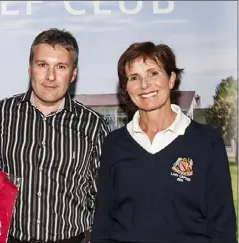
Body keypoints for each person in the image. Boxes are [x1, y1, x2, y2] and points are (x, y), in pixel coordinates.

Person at [91, 42, 237, 242]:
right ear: (126, 88)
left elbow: (223, 227)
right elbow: (103, 224)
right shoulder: (114, 144)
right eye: (134, 77)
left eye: (153, 73)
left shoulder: (207, 141)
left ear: (171, 79)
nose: (144, 85)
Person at [0, 28, 110, 243]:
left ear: (73, 74)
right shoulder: (1, 114)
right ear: (30, 69)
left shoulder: (93, 125)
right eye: (42, 65)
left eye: (61, 67)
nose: (50, 76)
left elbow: (102, 194)